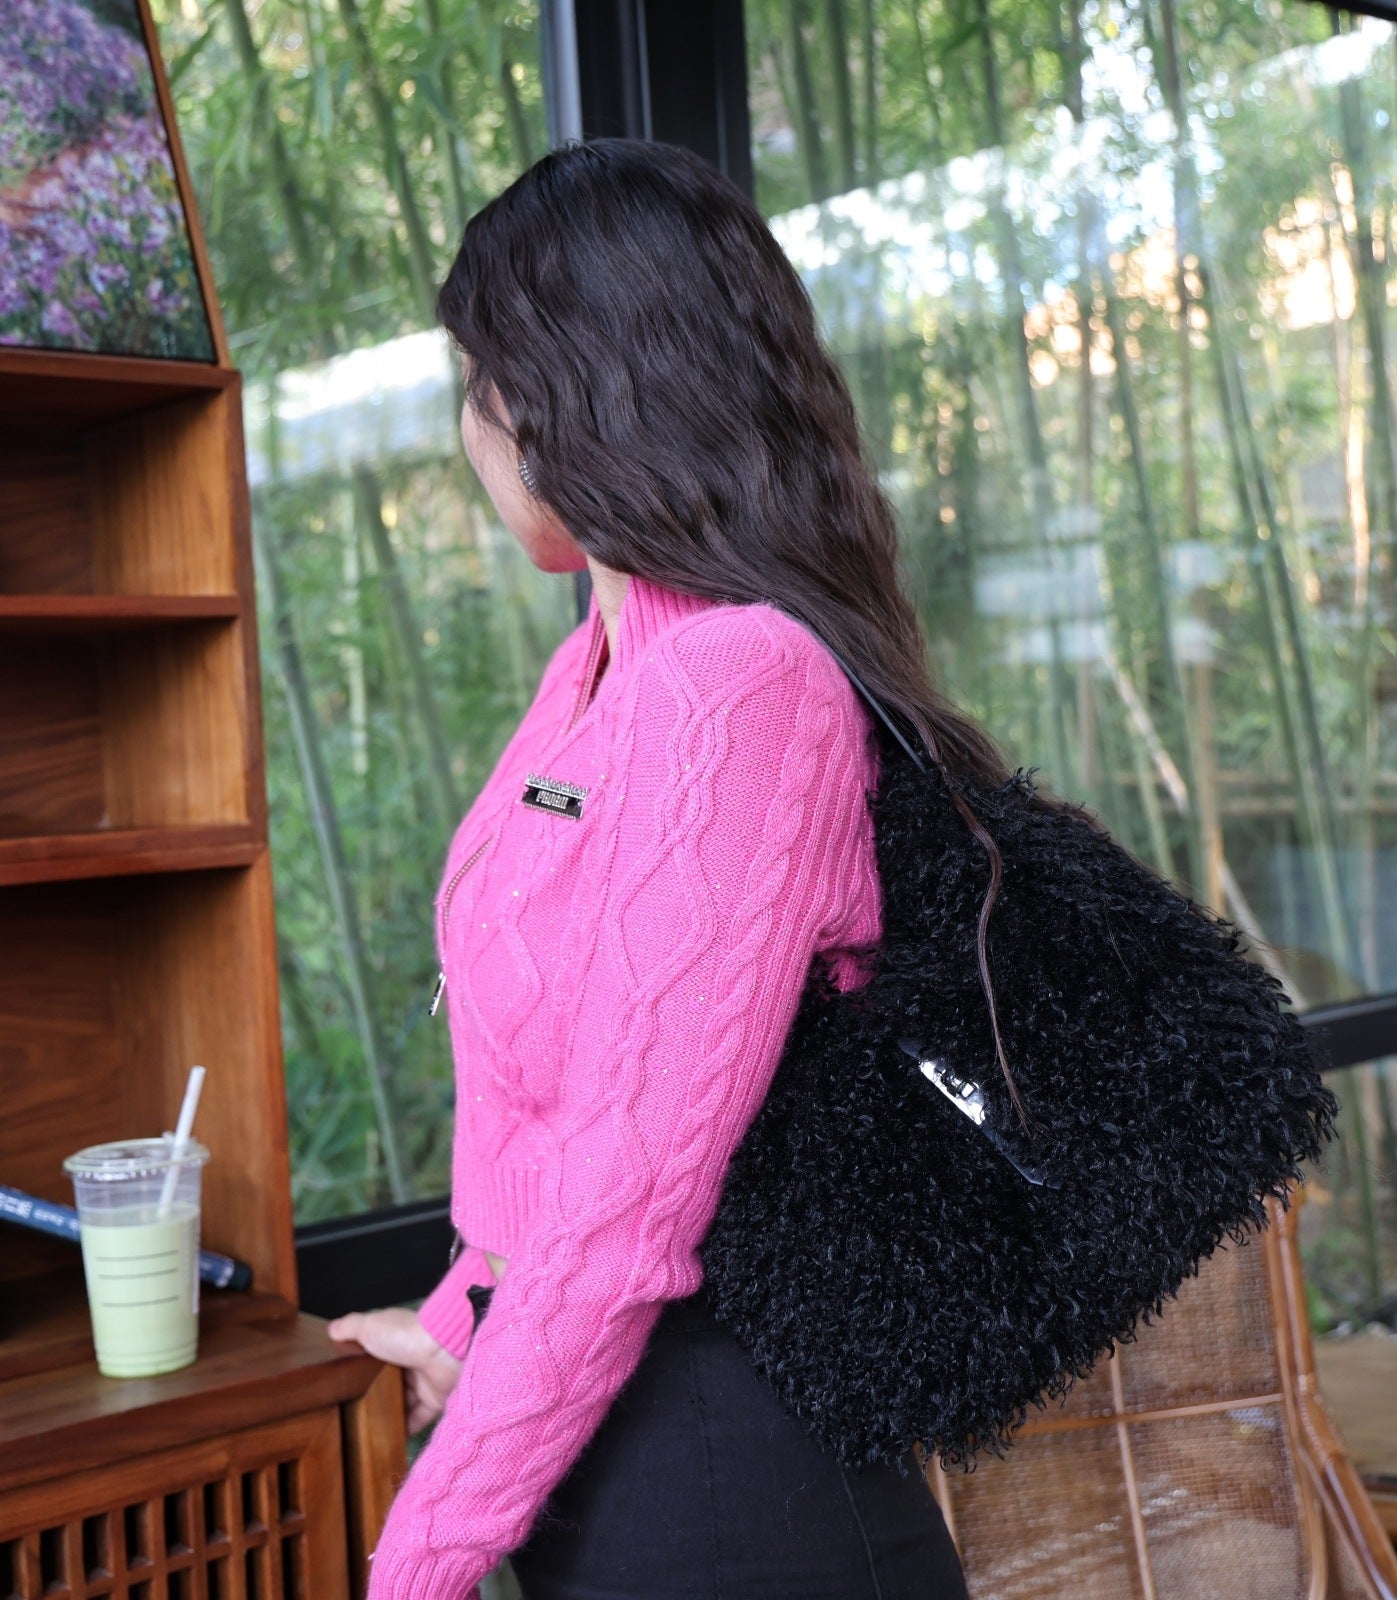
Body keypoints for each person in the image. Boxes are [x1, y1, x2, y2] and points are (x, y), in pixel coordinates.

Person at [326, 136, 992, 1599]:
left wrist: (417, 1561)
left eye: (480, 383)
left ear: (570, 395)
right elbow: (561, 1115)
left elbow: (624, 1216)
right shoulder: (595, 669)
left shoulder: (742, 688)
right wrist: (459, 1319)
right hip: (607, 1474)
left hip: (734, 1494)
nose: (470, 431)